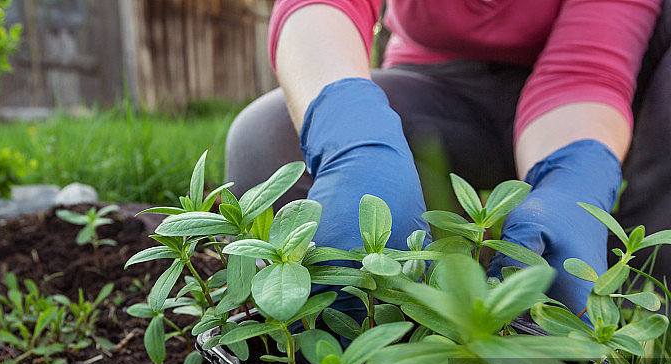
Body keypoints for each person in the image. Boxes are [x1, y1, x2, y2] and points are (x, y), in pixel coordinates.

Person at [225, 0, 671, 317]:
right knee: (266, 139)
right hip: (439, 88)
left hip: (581, 108)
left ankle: (638, 288)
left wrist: (574, 178)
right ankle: (375, 311)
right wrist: (350, 132)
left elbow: (585, 70)